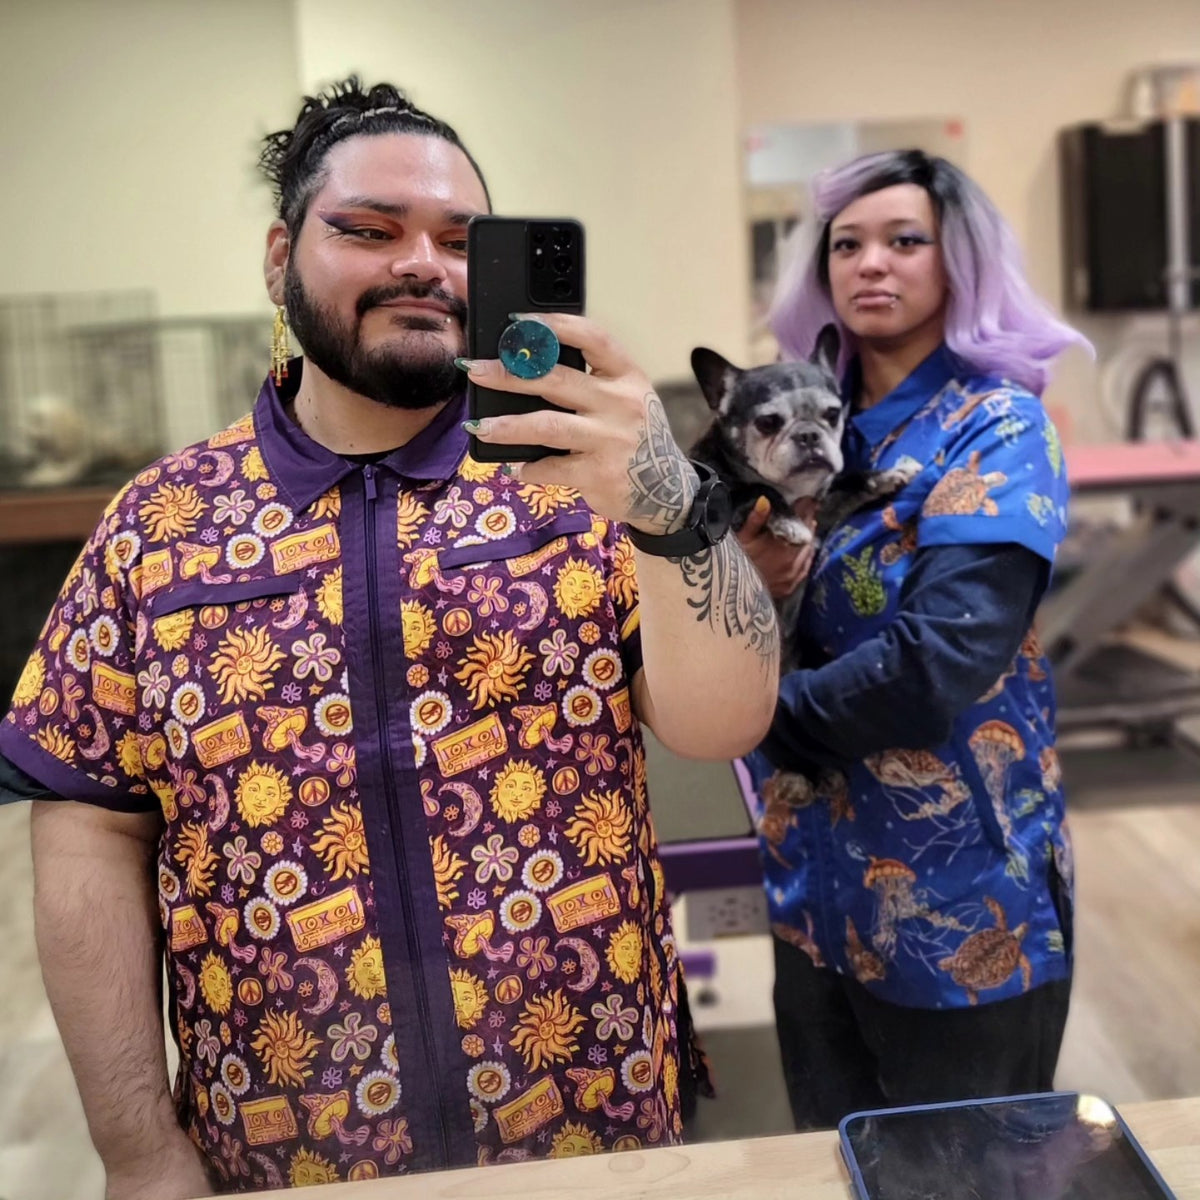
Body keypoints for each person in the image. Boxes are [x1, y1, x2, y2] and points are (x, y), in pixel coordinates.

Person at [1, 77, 779, 1196]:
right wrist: (136, 1149)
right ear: (281, 258)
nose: (422, 263)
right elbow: (88, 839)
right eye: (368, 230)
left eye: (461, 242)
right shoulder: (158, 528)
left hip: (592, 1132)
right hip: (281, 1153)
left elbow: (724, 723)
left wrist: (668, 500)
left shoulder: (583, 489)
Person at [735, 149, 1090, 1130]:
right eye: (846, 245)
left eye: (905, 241)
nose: (870, 264)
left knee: (971, 1174)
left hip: (960, 899)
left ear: (958, 262)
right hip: (813, 889)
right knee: (833, 1160)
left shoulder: (994, 426)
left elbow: (936, 666)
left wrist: (750, 716)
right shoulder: (813, 422)